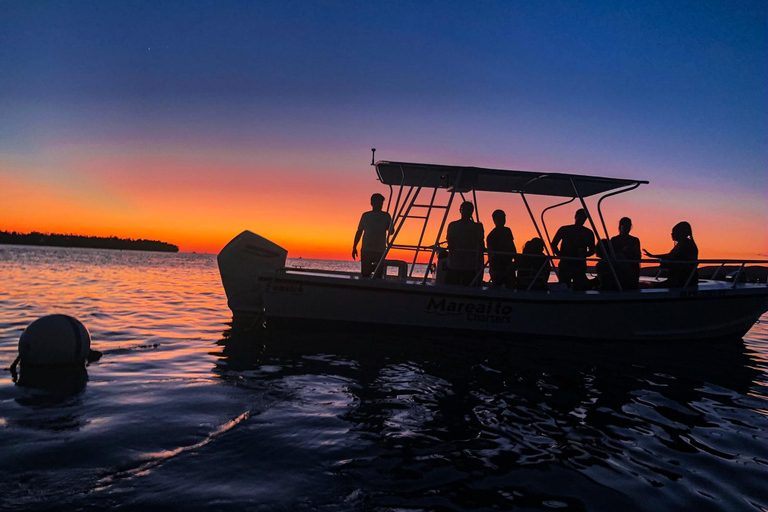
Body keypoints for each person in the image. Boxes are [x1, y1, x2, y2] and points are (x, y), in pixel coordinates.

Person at [643, 221, 699, 288]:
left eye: (674, 232)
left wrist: (667, 264)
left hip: (681, 281)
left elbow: (681, 263)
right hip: (676, 280)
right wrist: (652, 256)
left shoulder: (687, 246)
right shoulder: (681, 245)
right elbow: (670, 255)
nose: (671, 234)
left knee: (648, 286)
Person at [551, 209, 595, 290]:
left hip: (579, 264)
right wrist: (560, 255)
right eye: (580, 217)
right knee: (564, 285)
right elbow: (553, 244)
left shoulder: (588, 233)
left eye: (584, 217)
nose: (582, 219)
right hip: (566, 263)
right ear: (575, 217)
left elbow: (592, 250)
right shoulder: (564, 229)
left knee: (579, 288)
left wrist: (585, 254)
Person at [352, 193, 392, 278]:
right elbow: (359, 232)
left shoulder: (386, 216)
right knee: (365, 274)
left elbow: (391, 232)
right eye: (378, 202)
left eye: (381, 203)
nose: (380, 205)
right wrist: (354, 247)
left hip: (380, 250)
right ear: (372, 203)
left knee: (378, 275)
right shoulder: (366, 215)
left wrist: (390, 225)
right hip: (366, 249)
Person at [446, 201, 485, 286]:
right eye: (465, 209)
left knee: (469, 287)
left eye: (469, 210)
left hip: (470, 265)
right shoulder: (453, 225)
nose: (467, 212)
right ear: (460, 210)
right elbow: (450, 239)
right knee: (451, 287)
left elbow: (481, 242)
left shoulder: (477, 227)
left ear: (472, 211)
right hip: (454, 263)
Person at [486, 209, 516, 287]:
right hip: (497, 267)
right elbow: (491, 254)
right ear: (494, 219)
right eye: (499, 218)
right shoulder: (491, 236)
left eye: (503, 217)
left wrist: (516, 259)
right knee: (498, 285)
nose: (502, 220)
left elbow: (512, 246)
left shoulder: (507, 231)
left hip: (508, 264)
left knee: (511, 285)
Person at [610, 217, 641, 289]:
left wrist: (635, 251)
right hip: (619, 269)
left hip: (632, 269)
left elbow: (638, 257)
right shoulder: (614, 240)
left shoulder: (635, 240)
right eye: (625, 226)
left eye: (629, 226)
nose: (627, 228)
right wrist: (622, 251)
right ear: (620, 226)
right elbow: (612, 256)